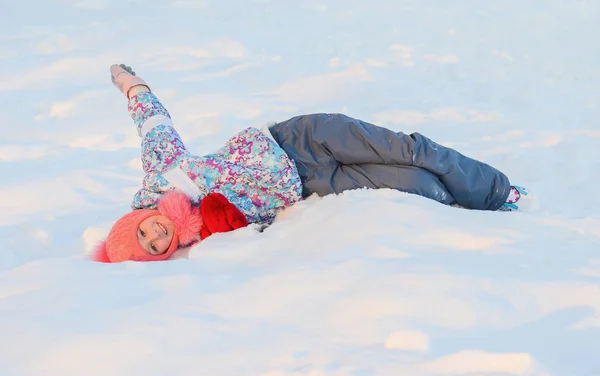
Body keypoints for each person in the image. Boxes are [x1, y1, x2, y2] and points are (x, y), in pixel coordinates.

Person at [91, 64, 530, 263]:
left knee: (410, 150)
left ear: (138, 217)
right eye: (153, 246)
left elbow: (154, 126)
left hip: (297, 138)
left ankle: (495, 190)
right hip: (314, 184)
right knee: (418, 185)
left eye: (143, 230)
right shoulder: (205, 243)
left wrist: (133, 85)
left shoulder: (162, 175)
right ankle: (474, 204)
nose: (155, 234)